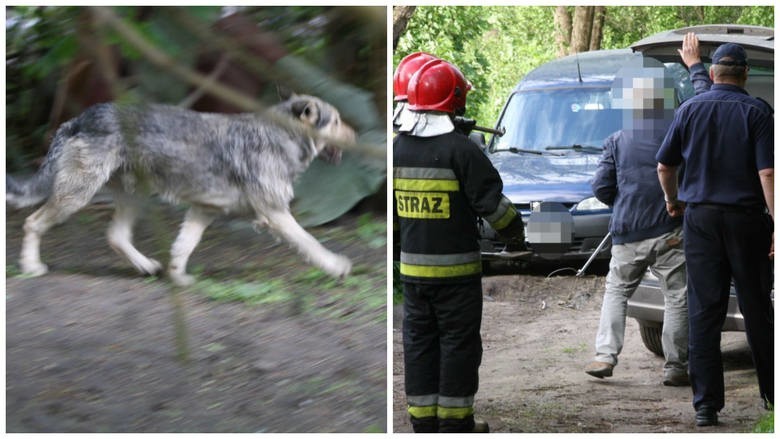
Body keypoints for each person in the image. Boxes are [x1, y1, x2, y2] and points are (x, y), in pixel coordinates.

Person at [393, 58, 524, 433]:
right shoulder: (462, 151)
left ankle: (423, 422)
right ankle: (456, 424)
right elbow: (495, 210)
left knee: (419, 347)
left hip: (414, 278)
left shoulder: (396, 151)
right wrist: (517, 236)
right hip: (458, 279)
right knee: (458, 347)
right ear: (451, 101)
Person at [656, 41, 774, 427]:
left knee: (704, 311)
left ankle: (706, 406)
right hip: (747, 221)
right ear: (745, 75)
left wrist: (673, 202)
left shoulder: (689, 109)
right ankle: (773, 395)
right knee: (757, 307)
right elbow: (768, 174)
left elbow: (664, 165)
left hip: (701, 220)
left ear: (712, 75)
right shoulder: (758, 112)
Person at [584, 58, 689, 387]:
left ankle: (605, 355)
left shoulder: (617, 139)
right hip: (670, 231)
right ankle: (675, 367)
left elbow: (601, 187)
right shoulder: (679, 136)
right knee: (677, 296)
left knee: (616, 291)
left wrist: (622, 202)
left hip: (628, 232)